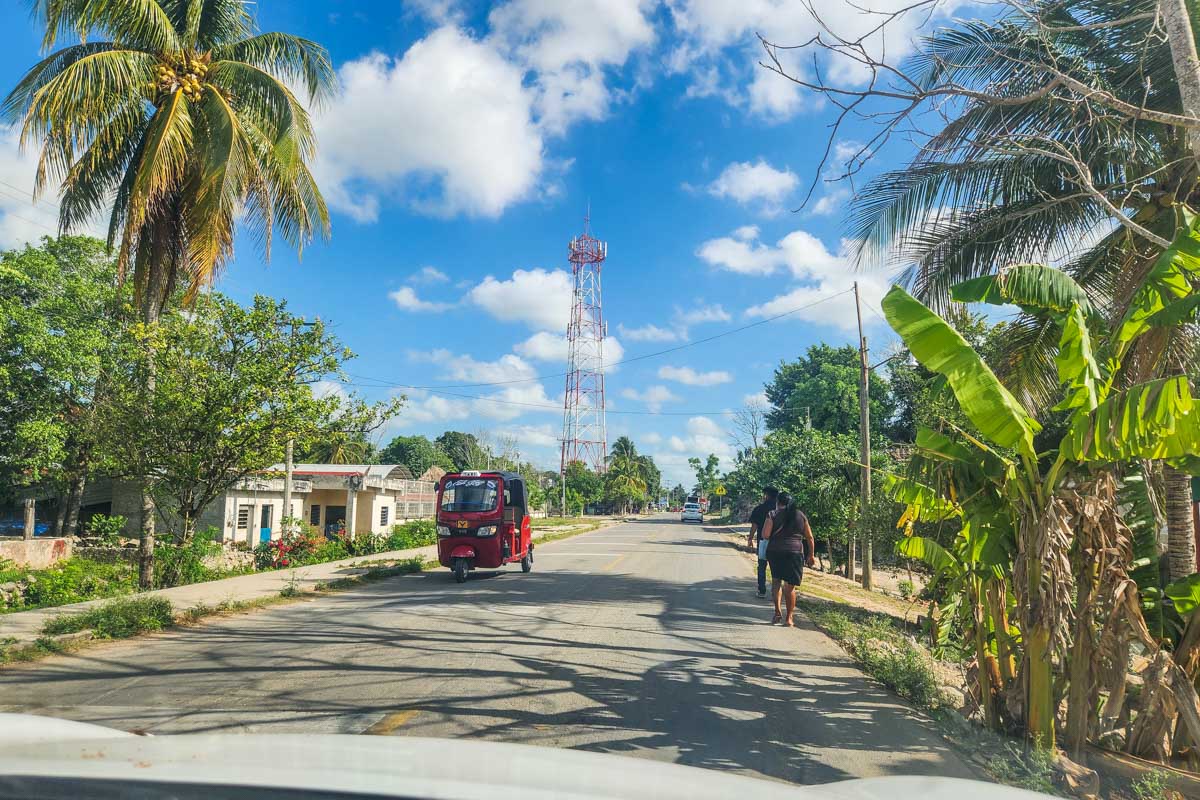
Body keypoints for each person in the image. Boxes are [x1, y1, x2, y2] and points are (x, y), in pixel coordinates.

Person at [761, 492, 816, 627]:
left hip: (776, 552)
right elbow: (809, 537)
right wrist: (811, 555)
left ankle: (777, 612)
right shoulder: (800, 515)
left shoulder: (772, 514)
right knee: (790, 587)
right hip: (795, 552)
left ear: (778, 502)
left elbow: (765, 535)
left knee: (776, 582)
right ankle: (789, 618)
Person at [746, 486, 779, 598]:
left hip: (763, 541)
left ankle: (762, 590)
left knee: (762, 566)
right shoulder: (781, 510)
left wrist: (750, 539)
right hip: (779, 543)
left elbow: (754, 525)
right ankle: (776, 593)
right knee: (776, 568)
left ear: (766, 495)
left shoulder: (760, 508)